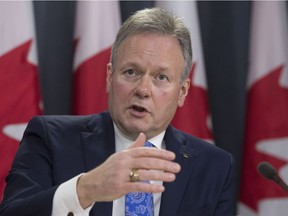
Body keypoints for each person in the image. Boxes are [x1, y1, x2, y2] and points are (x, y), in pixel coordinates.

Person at [0, 8, 235, 216]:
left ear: (182, 92)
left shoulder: (214, 166)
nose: (143, 89)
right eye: (131, 72)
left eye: (161, 78)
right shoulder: (50, 139)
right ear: (110, 77)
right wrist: (87, 188)